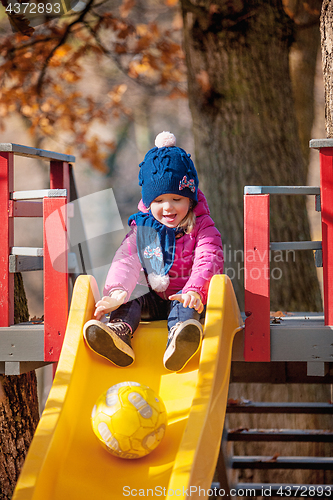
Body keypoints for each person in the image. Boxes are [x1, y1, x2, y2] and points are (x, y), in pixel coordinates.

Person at [83, 131, 224, 371]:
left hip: (188, 297)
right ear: (149, 204)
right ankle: (120, 334)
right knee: (132, 293)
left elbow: (209, 259)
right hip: (154, 301)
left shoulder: (203, 227)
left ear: (190, 200)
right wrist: (117, 292)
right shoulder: (144, 228)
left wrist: (195, 290)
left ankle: (181, 338)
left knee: (185, 305)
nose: (168, 207)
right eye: (158, 201)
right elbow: (125, 261)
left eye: (176, 199)